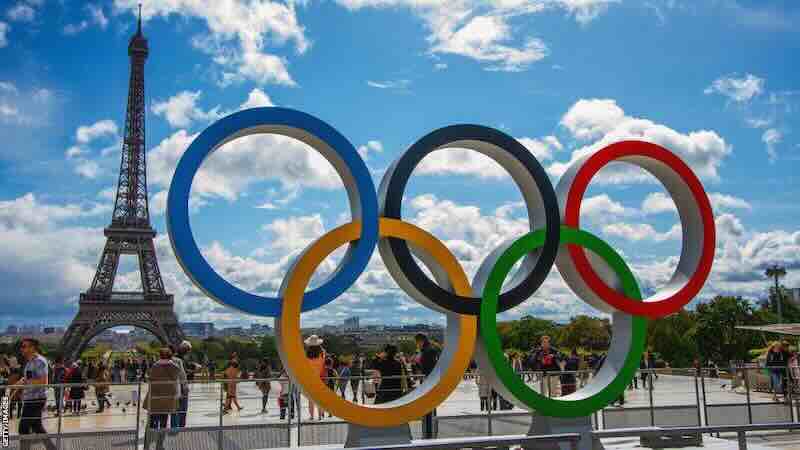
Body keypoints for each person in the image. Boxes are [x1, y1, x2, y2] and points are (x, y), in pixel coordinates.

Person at [14, 338, 57, 450]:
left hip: (36, 399)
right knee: (37, 427)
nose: (21, 349)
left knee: (23, 428)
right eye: (22, 346)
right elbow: (30, 377)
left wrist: (26, 382)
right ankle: (52, 448)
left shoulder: (39, 361)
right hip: (30, 399)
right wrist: (21, 381)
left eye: (24, 346)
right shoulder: (29, 362)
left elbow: (44, 382)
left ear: (32, 348)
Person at [144, 348, 181, 450]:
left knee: (151, 424)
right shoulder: (175, 367)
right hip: (167, 400)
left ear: (160, 355)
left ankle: (147, 446)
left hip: (155, 399)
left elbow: (150, 379)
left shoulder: (155, 367)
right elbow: (176, 379)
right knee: (164, 423)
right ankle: (159, 445)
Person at [415, 333, 439, 438]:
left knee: (428, 406)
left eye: (417, 342)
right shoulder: (430, 349)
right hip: (431, 381)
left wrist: (418, 363)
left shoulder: (427, 351)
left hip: (428, 381)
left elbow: (426, 368)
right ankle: (431, 429)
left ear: (421, 341)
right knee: (431, 406)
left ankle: (429, 431)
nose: (417, 345)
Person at [304, 335, 326, 420]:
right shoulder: (322, 353)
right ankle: (320, 415)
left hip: (310, 378)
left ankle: (312, 416)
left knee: (311, 398)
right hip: (320, 378)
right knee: (319, 398)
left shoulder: (307, 354)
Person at [170, 341, 190, 428]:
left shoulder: (161, 362)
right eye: (187, 350)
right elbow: (183, 375)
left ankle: (174, 426)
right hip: (180, 387)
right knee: (182, 407)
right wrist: (185, 387)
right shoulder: (178, 360)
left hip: (171, 387)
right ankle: (181, 425)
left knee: (174, 408)